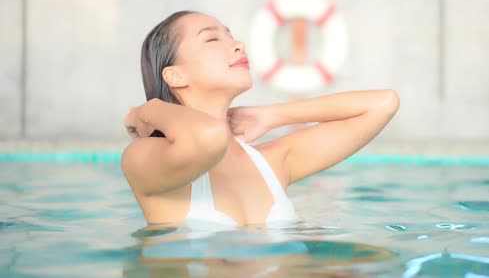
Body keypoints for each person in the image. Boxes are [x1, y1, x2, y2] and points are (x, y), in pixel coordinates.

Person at [122, 11, 400, 227]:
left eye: (231, 36)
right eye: (212, 39)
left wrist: (272, 115)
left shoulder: (269, 163)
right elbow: (208, 139)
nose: (237, 45)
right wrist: (146, 110)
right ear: (175, 76)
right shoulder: (144, 158)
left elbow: (383, 104)